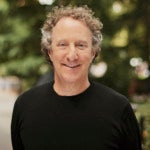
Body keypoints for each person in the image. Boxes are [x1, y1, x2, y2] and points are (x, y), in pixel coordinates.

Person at [11, 5, 142, 150]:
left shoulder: (119, 109)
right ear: (50, 52)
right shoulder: (25, 106)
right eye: (62, 44)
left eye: (81, 45)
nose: (72, 55)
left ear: (93, 52)